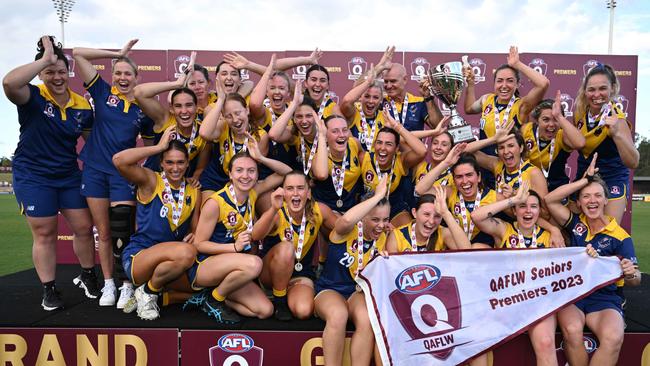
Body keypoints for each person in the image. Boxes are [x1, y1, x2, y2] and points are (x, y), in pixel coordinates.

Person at [2, 36, 99, 310]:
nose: (56, 77)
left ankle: (88, 275)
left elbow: (91, 144)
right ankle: (49, 288)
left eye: (60, 71)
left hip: (68, 174)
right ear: (40, 74)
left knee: (83, 227)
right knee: (45, 232)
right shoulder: (32, 96)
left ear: (68, 72)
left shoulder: (82, 105)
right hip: (33, 175)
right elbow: (9, 83)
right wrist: (45, 59)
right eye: (49, 72)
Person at [73, 39, 152, 308]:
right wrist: (117, 53)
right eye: (118, 72)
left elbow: (151, 149)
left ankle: (127, 285)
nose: (122, 78)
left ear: (137, 77)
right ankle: (109, 284)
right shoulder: (102, 92)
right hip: (94, 170)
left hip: (122, 174)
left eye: (127, 73)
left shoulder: (144, 109)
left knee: (123, 231)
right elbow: (79, 54)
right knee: (103, 233)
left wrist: (144, 177)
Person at [545, 154, 640, 366]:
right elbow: (549, 200)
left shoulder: (620, 236)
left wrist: (629, 272)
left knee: (613, 337)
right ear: (578, 203)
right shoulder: (576, 223)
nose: (592, 201)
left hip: (605, 300)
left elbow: (635, 279)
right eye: (586, 196)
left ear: (606, 200)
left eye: (597, 195)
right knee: (572, 330)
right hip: (574, 295)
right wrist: (583, 181)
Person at [188, 143, 292, 324]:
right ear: (230, 174)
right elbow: (199, 244)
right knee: (254, 263)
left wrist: (261, 158)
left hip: (236, 270)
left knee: (265, 310)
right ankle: (215, 299)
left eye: (251, 171)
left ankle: (215, 296)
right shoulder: (216, 202)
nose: (245, 176)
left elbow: (286, 172)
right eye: (239, 170)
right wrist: (234, 247)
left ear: (257, 174)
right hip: (206, 266)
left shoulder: (252, 193)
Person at [112, 126, 198, 320]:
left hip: (172, 265)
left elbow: (194, 229)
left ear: (187, 164)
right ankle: (149, 291)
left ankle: (151, 293)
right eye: (169, 162)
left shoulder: (194, 191)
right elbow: (119, 160)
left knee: (202, 286)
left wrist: (195, 234)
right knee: (186, 252)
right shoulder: (151, 180)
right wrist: (158, 147)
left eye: (180, 162)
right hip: (139, 257)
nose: (175, 168)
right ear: (161, 163)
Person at [471, 181, 558, 366]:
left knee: (546, 342)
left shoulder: (551, 237)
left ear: (539, 211)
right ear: (515, 210)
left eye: (533, 207)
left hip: (538, 301)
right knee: (477, 336)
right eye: (522, 206)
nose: (528, 211)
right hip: (506, 301)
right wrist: (512, 200)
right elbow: (476, 216)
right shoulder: (504, 230)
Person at [314, 177, 390, 366]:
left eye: (385, 219)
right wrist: (378, 195)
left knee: (367, 319)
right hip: (330, 289)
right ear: (363, 216)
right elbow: (347, 218)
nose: (381, 225)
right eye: (375, 219)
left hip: (358, 292)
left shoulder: (386, 237)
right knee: (338, 314)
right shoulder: (345, 230)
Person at [252, 172, 338, 321]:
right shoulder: (278, 212)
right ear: (283, 192)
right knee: (286, 248)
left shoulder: (319, 210)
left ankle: (288, 293)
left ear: (308, 192)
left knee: (303, 310)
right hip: (270, 274)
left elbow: (344, 227)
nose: (296, 193)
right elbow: (255, 235)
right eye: (290, 188)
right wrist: (272, 209)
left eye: (300, 188)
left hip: (299, 275)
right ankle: (279, 300)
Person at [463, 46, 549, 189]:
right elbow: (468, 108)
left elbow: (543, 84)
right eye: (500, 81)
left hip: (509, 168)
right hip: (485, 164)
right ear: (494, 83)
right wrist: (471, 85)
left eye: (509, 81)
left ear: (517, 84)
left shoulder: (521, 106)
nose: (504, 85)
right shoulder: (487, 100)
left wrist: (517, 65)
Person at [573, 63, 638, 223]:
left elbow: (633, 161)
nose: (597, 94)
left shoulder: (617, 119)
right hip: (585, 179)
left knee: (607, 234)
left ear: (612, 88)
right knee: (577, 233)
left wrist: (616, 135)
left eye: (602, 88)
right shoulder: (580, 113)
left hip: (612, 179)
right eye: (591, 89)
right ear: (585, 91)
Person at [134, 54, 211, 182]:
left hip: (180, 187)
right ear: (172, 109)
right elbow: (138, 93)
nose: (184, 111)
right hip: (154, 184)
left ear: (196, 107)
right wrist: (177, 84)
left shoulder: (203, 131)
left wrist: (195, 179)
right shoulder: (166, 120)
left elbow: (200, 169)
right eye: (178, 106)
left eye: (189, 105)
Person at [198, 82, 272, 202]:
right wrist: (220, 101)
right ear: (223, 117)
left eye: (238, 113)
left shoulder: (260, 137)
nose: (235, 119)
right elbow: (204, 133)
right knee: (209, 207)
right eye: (229, 116)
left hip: (245, 180)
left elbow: (252, 170)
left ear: (247, 110)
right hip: (217, 178)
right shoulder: (223, 126)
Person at [360, 110, 427, 226]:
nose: (382, 148)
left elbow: (422, 151)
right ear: (374, 145)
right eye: (379, 143)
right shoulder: (364, 158)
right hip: (367, 208)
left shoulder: (401, 161)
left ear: (397, 149)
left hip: (394, 208)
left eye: (389, 144)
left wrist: (397, 127)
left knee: (407, 230)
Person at [522, 91, 585, 192]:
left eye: (555, 119)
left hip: (557, 190)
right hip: (529, 189)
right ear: (537, 120)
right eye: (546, 120)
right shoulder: (526, 130)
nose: (551, 124)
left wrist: (560, 117)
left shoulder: (562, 135)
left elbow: (580, 143)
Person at [339, 47, 395, 151]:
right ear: (360, 96)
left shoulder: (385, 117)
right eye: (367, 96)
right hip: (355, 166)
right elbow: (347, 100)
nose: (371, 101)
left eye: (376, 97)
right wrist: (378, 68)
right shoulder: (354, 112)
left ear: (381, 99)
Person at [386, 185, 471, 253]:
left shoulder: (443, 233)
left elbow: (468, 252)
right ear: (414, 213)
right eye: (426, 214)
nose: (431, 221)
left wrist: (446, 213)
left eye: (437, 216)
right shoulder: (397, 236)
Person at [382, 59, 443, 131]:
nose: (388, 86)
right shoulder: (379, 101)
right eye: (386, 81)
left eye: (393, 81)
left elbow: (437, 126)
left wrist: (428, 97)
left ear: (405, 80)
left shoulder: (418, 102)